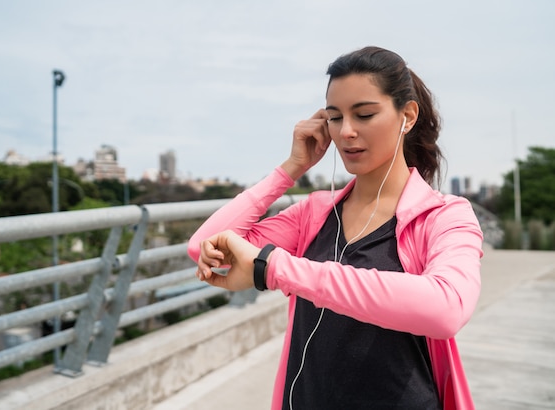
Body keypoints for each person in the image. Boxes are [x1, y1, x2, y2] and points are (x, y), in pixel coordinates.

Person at [187, 46, 483, 410]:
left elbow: (446, 308)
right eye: (334, 117)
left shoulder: (444, 216)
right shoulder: (314, 213)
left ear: (407, 115)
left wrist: (277, 269)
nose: (346, 132)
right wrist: (291, 168)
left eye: (364, 114)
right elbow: (206, 247)